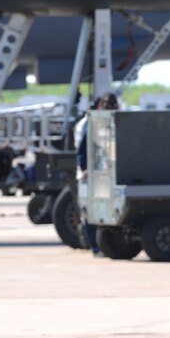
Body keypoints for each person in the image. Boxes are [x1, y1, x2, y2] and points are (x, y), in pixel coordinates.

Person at [75, 92, 119, 255]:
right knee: (91, 210)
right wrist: (86, 169)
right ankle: (95, 247)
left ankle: (104, 246)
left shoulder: (112, 121)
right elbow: (83, 150)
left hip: (105, 173)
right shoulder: (92, 123)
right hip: (91, 174)